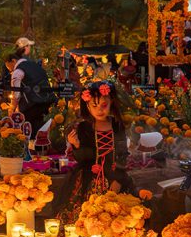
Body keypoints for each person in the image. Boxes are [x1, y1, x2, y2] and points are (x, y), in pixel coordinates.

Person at [52, 80, 133, 222]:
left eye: (104, 105)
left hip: (114, 176)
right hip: (88, 179)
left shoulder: (117, 125)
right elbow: (83, 159)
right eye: (94, 106)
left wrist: (118, 179)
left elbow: (123, 154)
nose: (99, 110)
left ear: (111, 104)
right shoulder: (84, 127)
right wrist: (77, 145)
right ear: (88, 106)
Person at [10, 37, 54, 131]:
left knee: (30, 134)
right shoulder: (34, 65)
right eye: (29, 46)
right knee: (42, 134)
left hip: (30, 108)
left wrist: (12, 108)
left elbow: (16, 94)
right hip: (45, 103)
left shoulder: (19, 70)